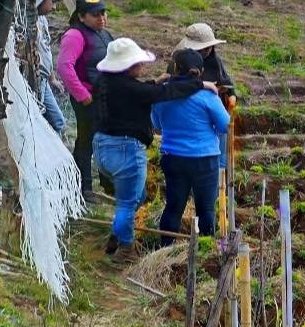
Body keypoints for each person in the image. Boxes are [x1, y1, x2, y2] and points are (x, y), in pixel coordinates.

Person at [91, 38, 214, 257]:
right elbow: (164, 94)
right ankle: (125, 250)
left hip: (102, 147)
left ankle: (118, 234)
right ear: (127, 67)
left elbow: (140, 91)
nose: (142, 66)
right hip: (126, 149)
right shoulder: (132, 89)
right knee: (128, 202)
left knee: (133, 199)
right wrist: (201, 84)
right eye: (138, 63)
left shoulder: (105, 81)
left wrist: (155, 82)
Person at [152, 49, 231, 246]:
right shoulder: (207, 96)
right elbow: (224, 125)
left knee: (173, 207)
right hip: (205, 159)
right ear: (201, 71)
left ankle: (165, 250)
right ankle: (206, 251)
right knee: (206, 210)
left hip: (173, 157)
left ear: (175, 68)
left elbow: (157, 124)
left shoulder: (162, 95)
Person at [56, 0, 115, 201]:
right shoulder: (75, 35)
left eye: (103, 13)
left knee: (105, 139)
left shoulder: (105, 35)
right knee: (86, 141)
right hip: (88, 98)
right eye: (95, 14)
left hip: (104, 97)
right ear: (81, 17)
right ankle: (84, 187)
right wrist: (82, 94)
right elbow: (64, 66)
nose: (102, 18)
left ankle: (107, 183)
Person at [175, 22, 236, 168]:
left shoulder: (215, 61)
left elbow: (228, 85)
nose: (208, 51)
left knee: (221, 160)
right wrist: (205, 87)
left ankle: (221, 181)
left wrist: (231, 96)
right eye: (205, 48)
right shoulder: (180, 62)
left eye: (210, 48)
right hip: (192, 117)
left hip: (216, 113)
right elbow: (176, 86)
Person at [21, 0, 66, 135]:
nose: (54, 7)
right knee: (40, 120)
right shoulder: (23, 21)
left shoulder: (43, 20)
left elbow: (45, 49)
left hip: (44, 80)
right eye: (52, 1)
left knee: (58, 121)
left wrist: (52, 77)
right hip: (32, 79)